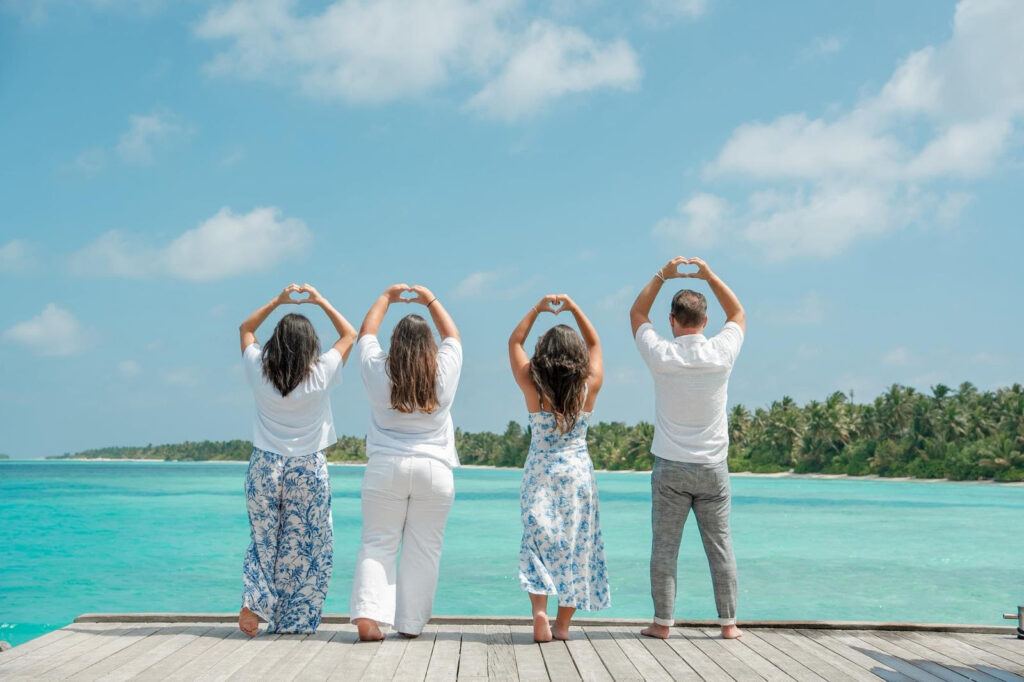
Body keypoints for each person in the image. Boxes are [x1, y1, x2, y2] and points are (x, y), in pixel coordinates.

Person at [629, 257, 746, 640]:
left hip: (671, 468)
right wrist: (710, 275)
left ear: (673, 321)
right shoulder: (721, 353)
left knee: (665, 549)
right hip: (713, 467)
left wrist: (663, 274)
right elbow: (738, 311)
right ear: (705, 321)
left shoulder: (663, 355)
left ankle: (662, 624)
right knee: (721, 547)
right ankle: (728, 625)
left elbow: (636, 312)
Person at [237, 283, 358, 637]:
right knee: (306, 544)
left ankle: (254, 600)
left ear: (275, 341)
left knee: (264, 539)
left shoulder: (258, 368)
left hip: (265, 466)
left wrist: (277, 300)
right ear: (311, 346)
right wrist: (320, 300)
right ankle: (293, 620)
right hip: (308, 467)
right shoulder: (321, 373)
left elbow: (245, 329)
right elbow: (349, 333)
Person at [349, 283, 462, 641]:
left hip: (386, 467)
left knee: (377, 541)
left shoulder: (377, 369)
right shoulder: (443, 371)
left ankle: (369, 616)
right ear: (429, 347)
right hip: (434, 470)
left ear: (394, 343)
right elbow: (453, 336)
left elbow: (365, 333)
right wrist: (429, 298)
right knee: (424, 547)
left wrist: (385, 297)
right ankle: (410, 624)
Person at [509, 294, 610, 643]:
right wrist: (573, 306)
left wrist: (537, 309)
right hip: (577, 472)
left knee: (536, 541)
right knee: (577, 544)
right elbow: (595, 341)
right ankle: (563, 625)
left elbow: (515, 341)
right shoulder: (588, 385)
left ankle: (539, 612)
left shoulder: (532, 384)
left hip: (540, 470)